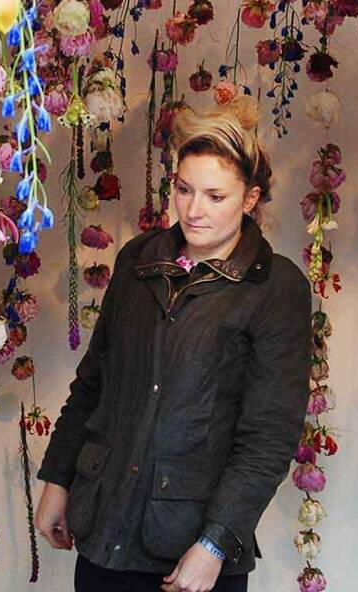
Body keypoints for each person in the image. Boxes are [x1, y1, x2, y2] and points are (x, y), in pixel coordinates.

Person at [34, 102, 314, 592]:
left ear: (250, 198)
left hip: (190, 546)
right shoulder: (138, 260)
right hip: (104, 528)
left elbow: (269, 436)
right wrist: (58, 480)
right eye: (184, 189)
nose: (193, 210)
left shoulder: (275, 287)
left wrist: (215, 544)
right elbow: (94, 382)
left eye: (215, 195)